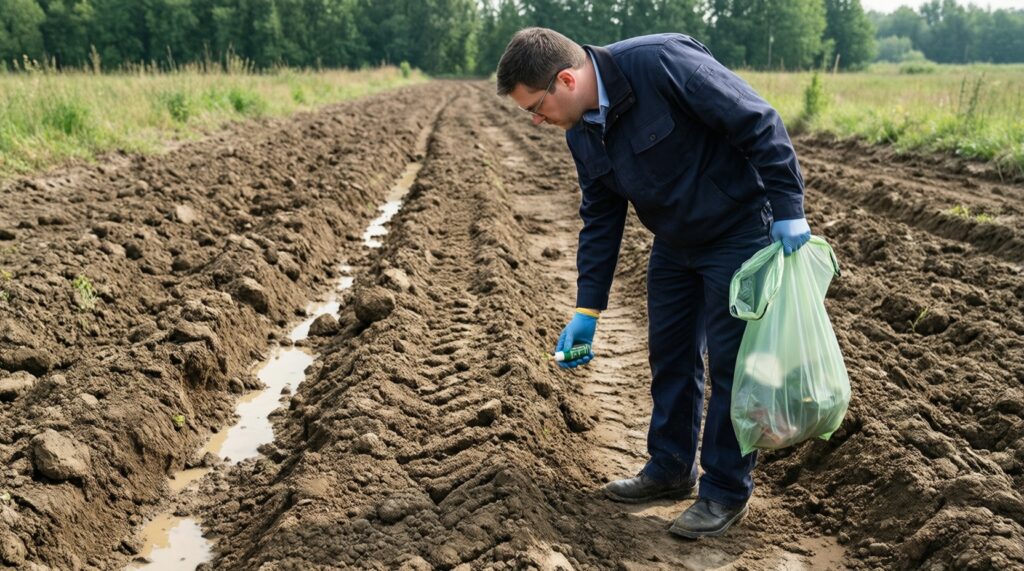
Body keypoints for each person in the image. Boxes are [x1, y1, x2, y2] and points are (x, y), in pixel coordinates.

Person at [495, 28, 811, 539]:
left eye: (535, 107)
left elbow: (758, 121)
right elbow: (600, 217)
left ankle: (725, 490)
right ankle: (669, 468)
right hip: (674, 242)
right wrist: (587, 311)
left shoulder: (661, 63)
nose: (536, 121)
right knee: (670, 353)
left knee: (732, 364)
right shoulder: (581, 129)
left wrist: (789, 208)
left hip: (737, 230)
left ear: (566, 79)